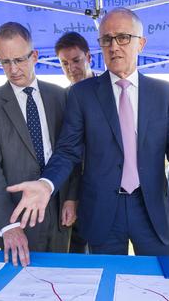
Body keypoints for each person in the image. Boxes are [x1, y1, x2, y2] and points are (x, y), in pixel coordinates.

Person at [7, 7, 169, 256]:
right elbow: (67, 151)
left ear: (140, 43)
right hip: (103, 212)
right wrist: (47, 184)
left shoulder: (164, 93)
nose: (114, 46)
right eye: (106, 39)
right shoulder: (82, 94)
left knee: (158, 285)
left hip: (150, 209)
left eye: (123, 37)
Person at [0, 22, 78, 266]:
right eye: (5, 62)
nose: (13, 69)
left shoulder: (61, 96)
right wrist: (8, 225)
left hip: (60, 209)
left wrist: (71, 198)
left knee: (59, 280)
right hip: (18, 215)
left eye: (19, 60)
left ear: (34, 56)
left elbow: (71, 152)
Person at [54, 31, 96, 254]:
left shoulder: (109, 90)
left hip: (106, 190)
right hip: (70, 190)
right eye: (64, 63)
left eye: (76, 60)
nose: (71, 68)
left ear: (89, 57)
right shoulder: (61, 99)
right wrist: (71, 196)